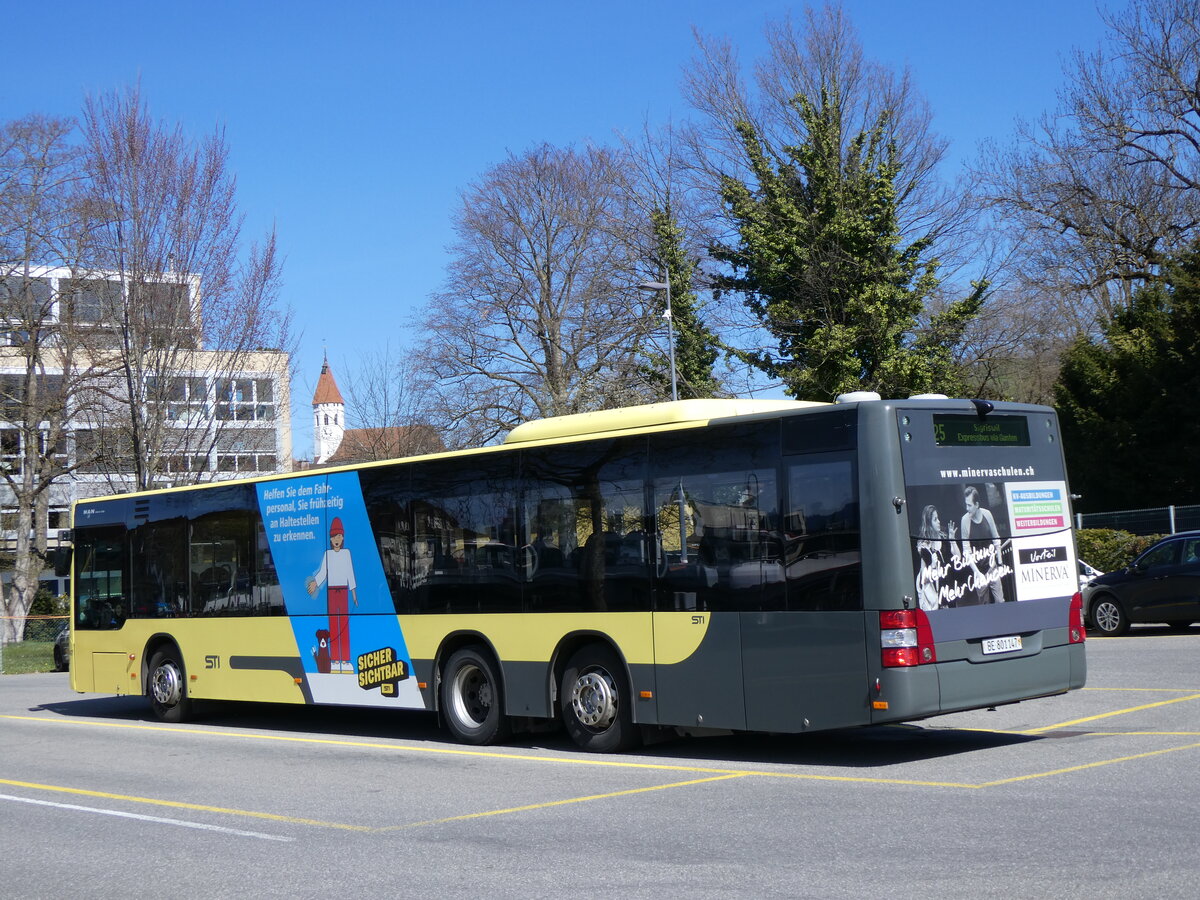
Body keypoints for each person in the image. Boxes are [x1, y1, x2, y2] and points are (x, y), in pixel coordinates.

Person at [306, 517, 359, 673]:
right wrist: (315, 583)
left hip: (343, 592)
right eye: (334, 537)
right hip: (331, 593)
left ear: (343, 538)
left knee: (344, 625)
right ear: (330, 538)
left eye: (339, 536)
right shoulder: (328, 554)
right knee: (333, 625)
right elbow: (323, 572)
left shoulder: (346, 553)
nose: (337, 539)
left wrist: (354, 594)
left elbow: (350, 573)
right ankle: (335, 660)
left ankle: (346, 660)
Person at [960, 486, 1006, 603]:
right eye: (966, 505)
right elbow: (966, 551)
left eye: (969, 505)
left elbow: (996, 540)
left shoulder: (987, 515)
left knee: (1000, 601)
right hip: (978, 571)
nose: (967, 508)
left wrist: (999, 563)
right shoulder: (964, 521)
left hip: (992, 567)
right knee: (984, 604)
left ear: (977, 504)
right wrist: (977, 573)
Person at [916, 505, 960, 610]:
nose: (939, 521)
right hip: (936, 598)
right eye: (935, 519)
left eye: (938, 518)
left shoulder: (944, 539)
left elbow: (958, 558)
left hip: (950, 593)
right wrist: (932, 565)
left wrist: (952, 540)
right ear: (929, 523)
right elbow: (923, 579)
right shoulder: (925, 547)